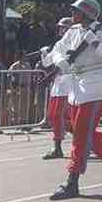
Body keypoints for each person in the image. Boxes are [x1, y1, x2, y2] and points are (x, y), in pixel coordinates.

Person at [45, 0, 102, 200]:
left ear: (88, 13)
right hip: (76, 85)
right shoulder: (73, 31)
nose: (72, 14)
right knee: (82, 130)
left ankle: (72, 181)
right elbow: (58, 50)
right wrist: (61, 60)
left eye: (77, 11)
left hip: (93, 87)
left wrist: (97, 44)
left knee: (81, 135)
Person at [41, 17, 74, 159]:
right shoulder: (59, 44)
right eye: (60, 28)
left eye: (64, 27)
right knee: (55, 116)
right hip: (59, 83)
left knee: (60, 116)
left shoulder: (75, 43)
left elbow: (66, 63)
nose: (61, 30)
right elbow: (47, 63)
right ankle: (87, 139)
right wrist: (44, 52)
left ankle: (58, 148)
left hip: (69, 82)